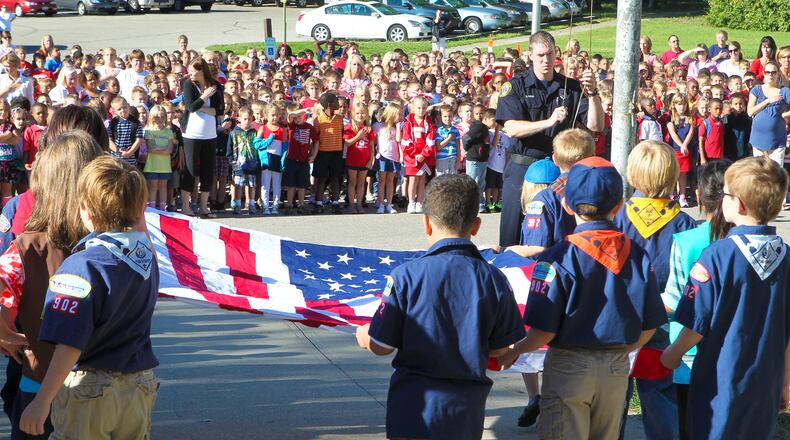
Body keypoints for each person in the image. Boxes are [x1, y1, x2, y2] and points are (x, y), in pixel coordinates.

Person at [498, 156, 666, 440]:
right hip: (616, 366)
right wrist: (623, 351)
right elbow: (650, 322)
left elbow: (544, 330)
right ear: (619, 205)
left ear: (566, 204)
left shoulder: (557, 257)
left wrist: (515, 349)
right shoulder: (637, 255)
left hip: (569, 365)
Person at [355, 173, 526, 440]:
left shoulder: (405, 276)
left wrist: (364, 335)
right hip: (465, 412)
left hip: (412, 409)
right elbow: (501, 347)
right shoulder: (494, 279)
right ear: (476, 226)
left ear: (426, 223)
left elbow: (381, 345)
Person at [18, 155, 158, 438]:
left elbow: (69, 343)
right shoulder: (147, 257)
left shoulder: (81, 265)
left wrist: (42, 400)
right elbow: (140, 231)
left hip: (91, 390)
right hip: (139, 385)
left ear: (87, 209)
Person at [661, 157, 790, 440]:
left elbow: (697, 322)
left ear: (739, 204)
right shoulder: (787, 257)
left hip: (719, 381)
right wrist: (785, 382)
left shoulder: (717, 256)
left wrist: (673, 354)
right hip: (765, 381)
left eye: (727, 194)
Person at [0, 130, 104, 440]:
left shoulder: (26, 248)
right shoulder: (115, 246)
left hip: (40, 381)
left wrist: (6, 335)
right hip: (107, 388)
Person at [614, 140, 697, 440]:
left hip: (621, 321)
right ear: (673, 174)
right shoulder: (685, 223)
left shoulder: (617, 218)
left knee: (612, 402)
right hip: (665, 319)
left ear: (632, 175)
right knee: (661, 398)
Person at [495, 31, 603, 248]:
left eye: (550, 54)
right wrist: (549, 121)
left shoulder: (570, 87)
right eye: (541, 55)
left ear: (557, 54)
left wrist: (592, 94)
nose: (546, 60)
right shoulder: (515, 86)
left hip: (559, 170)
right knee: (511, 232)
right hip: (523, 167)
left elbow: (595, 125)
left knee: (561, 231)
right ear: (530, 55)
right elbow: (511, 128)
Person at [662, 159, 732, 440]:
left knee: (689, 429)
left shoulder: (685, 241)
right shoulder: (742, 243)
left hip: (688, 357)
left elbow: (674, 299)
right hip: (733, 354)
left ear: (700, 197)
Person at [509, 128, 595, 258]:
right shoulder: (599, 189)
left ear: (555, 159)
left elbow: (535, 248)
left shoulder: (545, 199)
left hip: (558, 270)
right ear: (593, 157)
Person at [180, 57, 224, 217]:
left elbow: (219, 110)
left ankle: (204, 206)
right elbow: (191, 107)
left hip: (210, 134)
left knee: (208, 170)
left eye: (193, 71)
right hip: (191, 134)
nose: (190, 73)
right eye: (189, 70)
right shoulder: (188, 84)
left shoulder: (215, 85)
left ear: (201, 71)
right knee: (191, 169)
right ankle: (186, 206)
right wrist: (205, 97)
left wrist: (203, 108)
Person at [747, 61, 790, 165]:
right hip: (758, 139)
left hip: (777, 140)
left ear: (778, 73)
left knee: (776, 173)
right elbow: (750, 112)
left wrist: (784, 115)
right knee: (759, 173)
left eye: (773, 72)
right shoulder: (756, 90)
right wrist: (768, 100)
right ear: (763, 73)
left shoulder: (784, 91)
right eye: (767, 72)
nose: (770, 75)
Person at [401, 96, 435, 214]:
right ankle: (411, 203)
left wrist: (424, 154)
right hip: (412, 157)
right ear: (413, 108)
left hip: (424, 157)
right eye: (419, 108)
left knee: (422, 179)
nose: (421, 110)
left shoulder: (429, 123)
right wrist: (415, 154)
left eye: (424, 108)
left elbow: (430, 141)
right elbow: (406, 140)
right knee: (413, 179)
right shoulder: (408, 122)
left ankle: (420, 202)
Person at [230, 106, 265, 215]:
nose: (247, 121)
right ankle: (238, 205)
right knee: (238, 185)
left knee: (251, 185)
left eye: (250, 119)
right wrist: (231, 160)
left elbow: (258, 146)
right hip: (238, 163)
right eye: (245, 119)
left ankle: (251, 204)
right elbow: (230, 147)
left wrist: (258, 161)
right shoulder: (234, 132)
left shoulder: (254, 132)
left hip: (251, 162)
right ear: (239, 118)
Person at [283, 103, 315, 215]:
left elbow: (316, 142)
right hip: (291, 159)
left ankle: (302, 204)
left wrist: (313, 155)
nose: (297, 119)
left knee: (302, 185)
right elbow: (290, 115)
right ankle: (289, 204)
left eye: (300, 116)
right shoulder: (292, 126)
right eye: (296, 117)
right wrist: (304, 110)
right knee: (291, 185)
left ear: (304, 116)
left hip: (304, 160)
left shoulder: (309, 127)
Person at [343, 101, 375, 214]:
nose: (360, 116)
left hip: (364, 161)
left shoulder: (369, 129)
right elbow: (347, 143)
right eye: (357, 113)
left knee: (362, 183)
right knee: (352, 182)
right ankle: (351, 204)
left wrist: (371, 160)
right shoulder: (349, 128)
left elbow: (371, 146)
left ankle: (359, 204)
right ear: (352, 114)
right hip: (352, 160)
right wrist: (358, 136)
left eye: (362, 113)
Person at [143, 104, 175, 211]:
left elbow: (169, 150)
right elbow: (151, 148)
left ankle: (162, 209)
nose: (160, 119)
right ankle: (152, 209)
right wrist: (163, 149)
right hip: (152, 165)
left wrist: (158, 148)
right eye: (157, 117)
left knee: (163, 188)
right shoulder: (149, 131)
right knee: (153, 187)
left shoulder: (169, 132)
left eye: (162, 116)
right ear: (152, 117)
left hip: (165, 166)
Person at [256, 102, 286, 215]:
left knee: (277, 184)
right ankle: (265, 206)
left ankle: (275, 206)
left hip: (277, 160)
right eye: (272, 115)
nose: (275, 117)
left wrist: (283, 160)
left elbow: (284, 146)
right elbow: (258, 144)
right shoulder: (262, 128)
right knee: (265, 184)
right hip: (266, 161)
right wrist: (267, 140)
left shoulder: (282, 129)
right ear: (266, 115)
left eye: (277, 114)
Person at [372, 100, 401, 214]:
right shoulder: (378, 126)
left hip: (394, 157)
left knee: (390, 181)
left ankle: (388, 204)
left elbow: (398, 139)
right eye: (398, 114)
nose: (399, 117)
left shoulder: (396, 127)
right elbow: (373, 140)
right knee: (381, 180)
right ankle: (380, 203)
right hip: (382, 156)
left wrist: (398, 126)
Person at [666, 93, 695, 206]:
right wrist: (681, 145)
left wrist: (685, 145)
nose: (681, 107)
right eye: (679, 104)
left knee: (683, 174)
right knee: (673, 173)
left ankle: (682, 195)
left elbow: (691, 132)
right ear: (674, 105)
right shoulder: (670, 118)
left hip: (685, 150)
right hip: (674, 149)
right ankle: (671, 194)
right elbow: (673, 133)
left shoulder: (689, 117)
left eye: (683, 104)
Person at [108, 96, 143, 167]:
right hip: (116, 155)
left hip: (131, 155)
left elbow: (139, 140)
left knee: (130, 174)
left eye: (124, 107)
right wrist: (117, 150)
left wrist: (129, 153)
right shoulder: (113, 122)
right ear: (115, 111)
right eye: (119, 109)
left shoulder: (136, 122)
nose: (122, 110)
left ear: (128, 106)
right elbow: (109, 140)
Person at [698, 98, 725, 165]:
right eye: (716, 109)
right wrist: (702, 157)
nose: (718, 111)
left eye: (720, 109)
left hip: (720, 156)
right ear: (709, 109)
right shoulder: (705, 124)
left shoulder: (721, 123)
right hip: (709, 156)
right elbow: (701, 141)